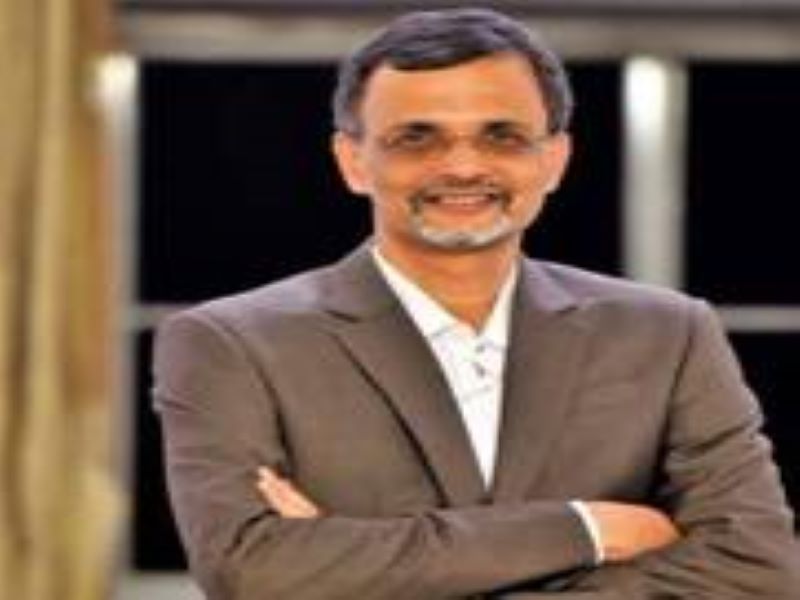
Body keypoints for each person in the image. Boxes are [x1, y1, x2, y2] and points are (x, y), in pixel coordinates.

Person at [152, 8, 800, 599]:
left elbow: (757, 570)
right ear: (352, 161)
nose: (462, 167)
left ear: (554, 159)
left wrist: (358, 569)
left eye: (502, 137)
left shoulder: (667, 334)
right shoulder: (231, 344)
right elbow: (252, 572)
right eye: (417, 138)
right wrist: (584, 529)